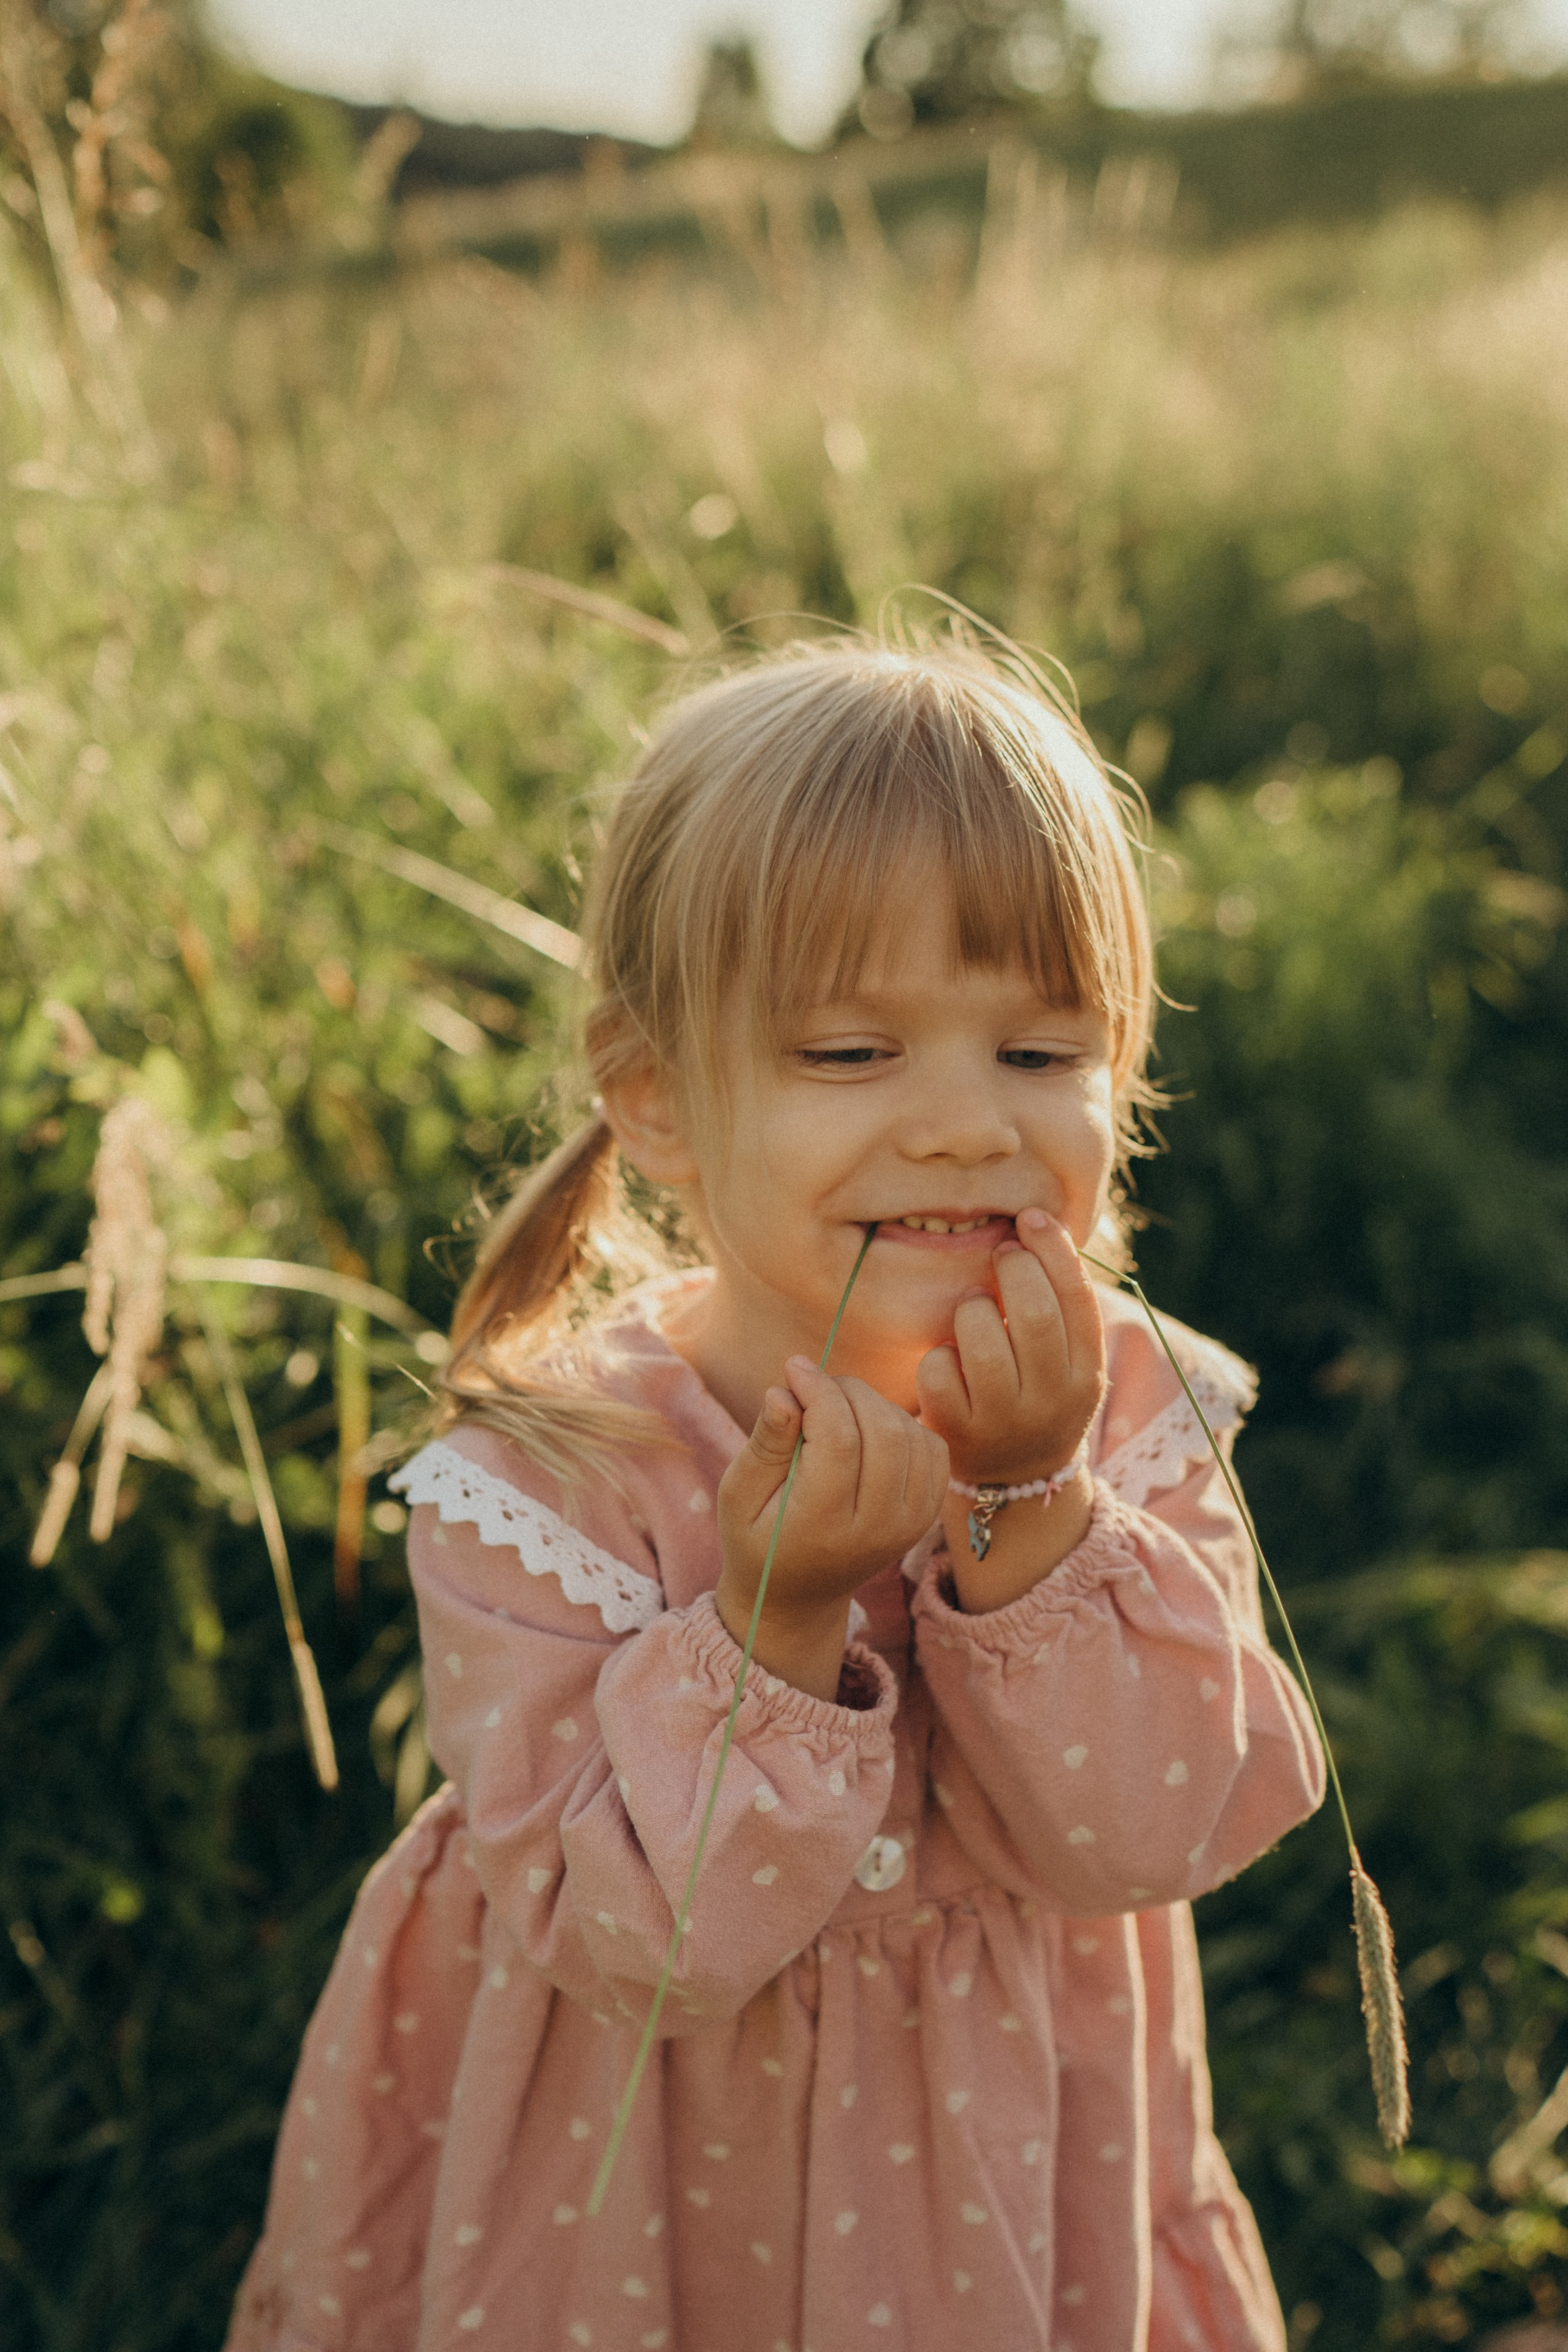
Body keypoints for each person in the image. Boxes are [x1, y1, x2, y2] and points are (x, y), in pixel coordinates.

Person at [224, 631, 1325, 2352]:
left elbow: (1160, 1832)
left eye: (1041, 1053)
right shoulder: (550, 1483)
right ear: (653, 1097)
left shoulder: (1132, 1411)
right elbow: (642, 1946)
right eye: (851, 1054)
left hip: (1003, 2189)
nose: (967, 1124)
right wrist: (776, 1618)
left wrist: (1032, 1505)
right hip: (640, 2207)